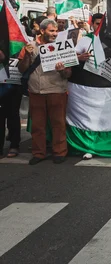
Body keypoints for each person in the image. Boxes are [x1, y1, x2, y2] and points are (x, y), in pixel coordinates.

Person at [18, 19, 72, 165]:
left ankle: (60, 152)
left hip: (56, 90)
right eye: (51, 31)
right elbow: (22, 69)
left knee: (58, 123)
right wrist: (28, 56)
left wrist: (62, 71)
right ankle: (38, 153)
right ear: (42, 31)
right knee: (38, 125)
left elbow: (68, 74)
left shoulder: (63, 47)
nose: (55, 34)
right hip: (36, 91)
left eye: (56, 31)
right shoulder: (30, 47)